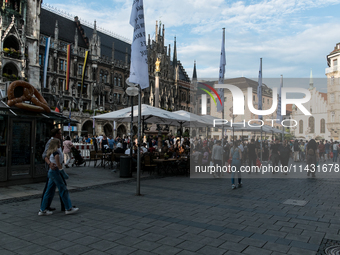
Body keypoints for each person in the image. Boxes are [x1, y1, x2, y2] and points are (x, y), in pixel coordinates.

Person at [39, 139, 79, 216]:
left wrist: (50, 163)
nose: (60, 144)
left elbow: (46, 157)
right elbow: (59, 165)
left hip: (51, 172)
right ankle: (68, 208)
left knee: (49, 191)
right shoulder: (56, 153)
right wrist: (63, 173)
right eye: (59, 143)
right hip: (55, 172)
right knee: (63, 189)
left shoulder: (52, 151)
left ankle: (43, 209)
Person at [41, 128, 64, 211]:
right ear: (56, 135)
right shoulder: (51, 142)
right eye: (60, 134)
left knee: (52, 188)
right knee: (56, 187)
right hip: (53, 169)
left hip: (57, 168)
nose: (61, 135)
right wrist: (50, 163)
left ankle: (45, 207)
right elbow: (44, 155)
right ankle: (66, 207)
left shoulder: (57, 142)